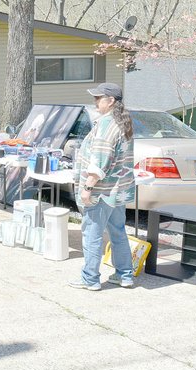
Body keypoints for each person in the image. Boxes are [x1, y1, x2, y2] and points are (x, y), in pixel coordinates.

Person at [68, 82, 136, 291]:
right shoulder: (122, 121)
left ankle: (90, 278)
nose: (95, 101)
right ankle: (125, 275)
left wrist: (87, 188)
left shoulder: (107, 124)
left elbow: (100, 161)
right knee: (118, 232)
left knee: (92, 234)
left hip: (101, 192)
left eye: (99, 98)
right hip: (117, 191)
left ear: (111, 101)